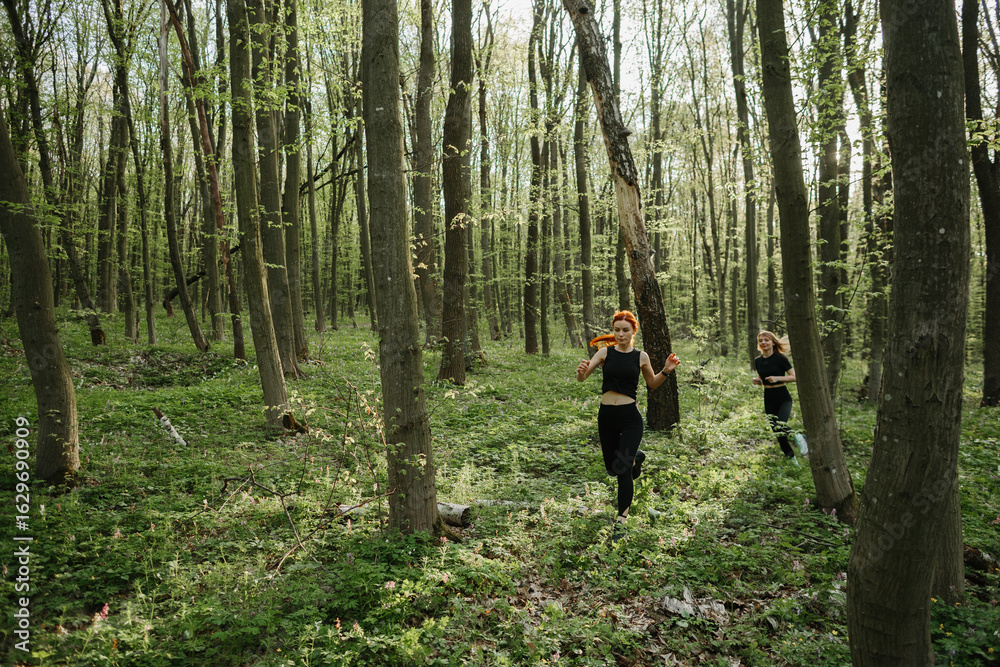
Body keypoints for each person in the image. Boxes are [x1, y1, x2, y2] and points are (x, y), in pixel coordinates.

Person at [576, 310, 680, 541]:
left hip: (630, 417)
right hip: (606, 417)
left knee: (623, 471)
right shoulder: (604, 353)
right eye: (617, 330)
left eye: (625, 330)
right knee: (613, 469)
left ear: (634, 331)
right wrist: (581, 373)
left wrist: (666, 371)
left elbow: (652, 383)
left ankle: (621, 521)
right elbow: (583, 377)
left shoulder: (641, 357)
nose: (621, 334)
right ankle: (636, 457)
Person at [751, 330, 798, 460]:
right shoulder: (758, 361)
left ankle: (799, 436)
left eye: (766, 340)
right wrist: (758, 381)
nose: (763, 343)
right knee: (778, 433)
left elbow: (794, 377)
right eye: (761, 341)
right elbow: (763, 379)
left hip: (783, 397)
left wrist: (778, 378)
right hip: (769, 398)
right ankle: (792, 459)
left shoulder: (781, 358)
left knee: (780, 424)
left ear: (772, 342)